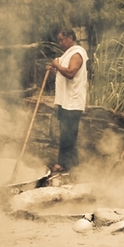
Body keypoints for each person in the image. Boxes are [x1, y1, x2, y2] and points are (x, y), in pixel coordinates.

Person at [46, 28, 88, 172]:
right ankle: (72, 163)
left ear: (70, 38)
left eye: (61, 39)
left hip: (73, 102)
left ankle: (63, 164)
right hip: (66, 101)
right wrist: (54, 69)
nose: (60, 43)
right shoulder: (69, 54)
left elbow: (70, 73)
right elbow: (64, 74)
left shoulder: (77, 54)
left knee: (68, 134)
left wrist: (57, 64)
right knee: (66, 133)